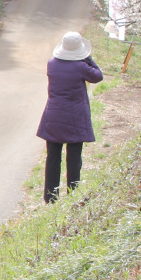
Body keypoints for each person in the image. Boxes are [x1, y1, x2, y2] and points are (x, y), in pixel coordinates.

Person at [37, 31, 103, 204]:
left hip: (54, 116)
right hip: (75, 118)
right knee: (74, 157)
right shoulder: (81, 67)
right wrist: (88, 57)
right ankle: (73, 194)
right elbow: (97, 76)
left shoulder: (52, 64)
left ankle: (50, 197)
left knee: (53, 157)